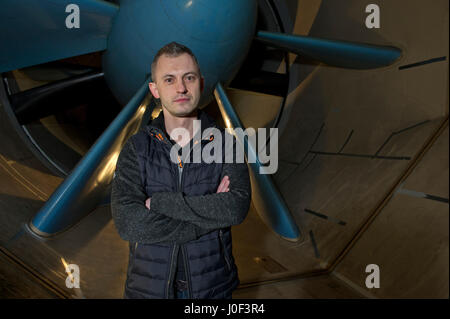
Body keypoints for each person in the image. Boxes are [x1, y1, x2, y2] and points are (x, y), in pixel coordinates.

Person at [111, 42, 251, 299]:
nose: (181, 88)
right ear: (155, 89)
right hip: (148, 290)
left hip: (212, 290)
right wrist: (208, 219)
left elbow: (235, 208)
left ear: (201, 83)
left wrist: (160, 203)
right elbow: (128, 223)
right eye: (169, 79)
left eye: (189, 77)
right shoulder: (137, 148)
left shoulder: (225, 144)